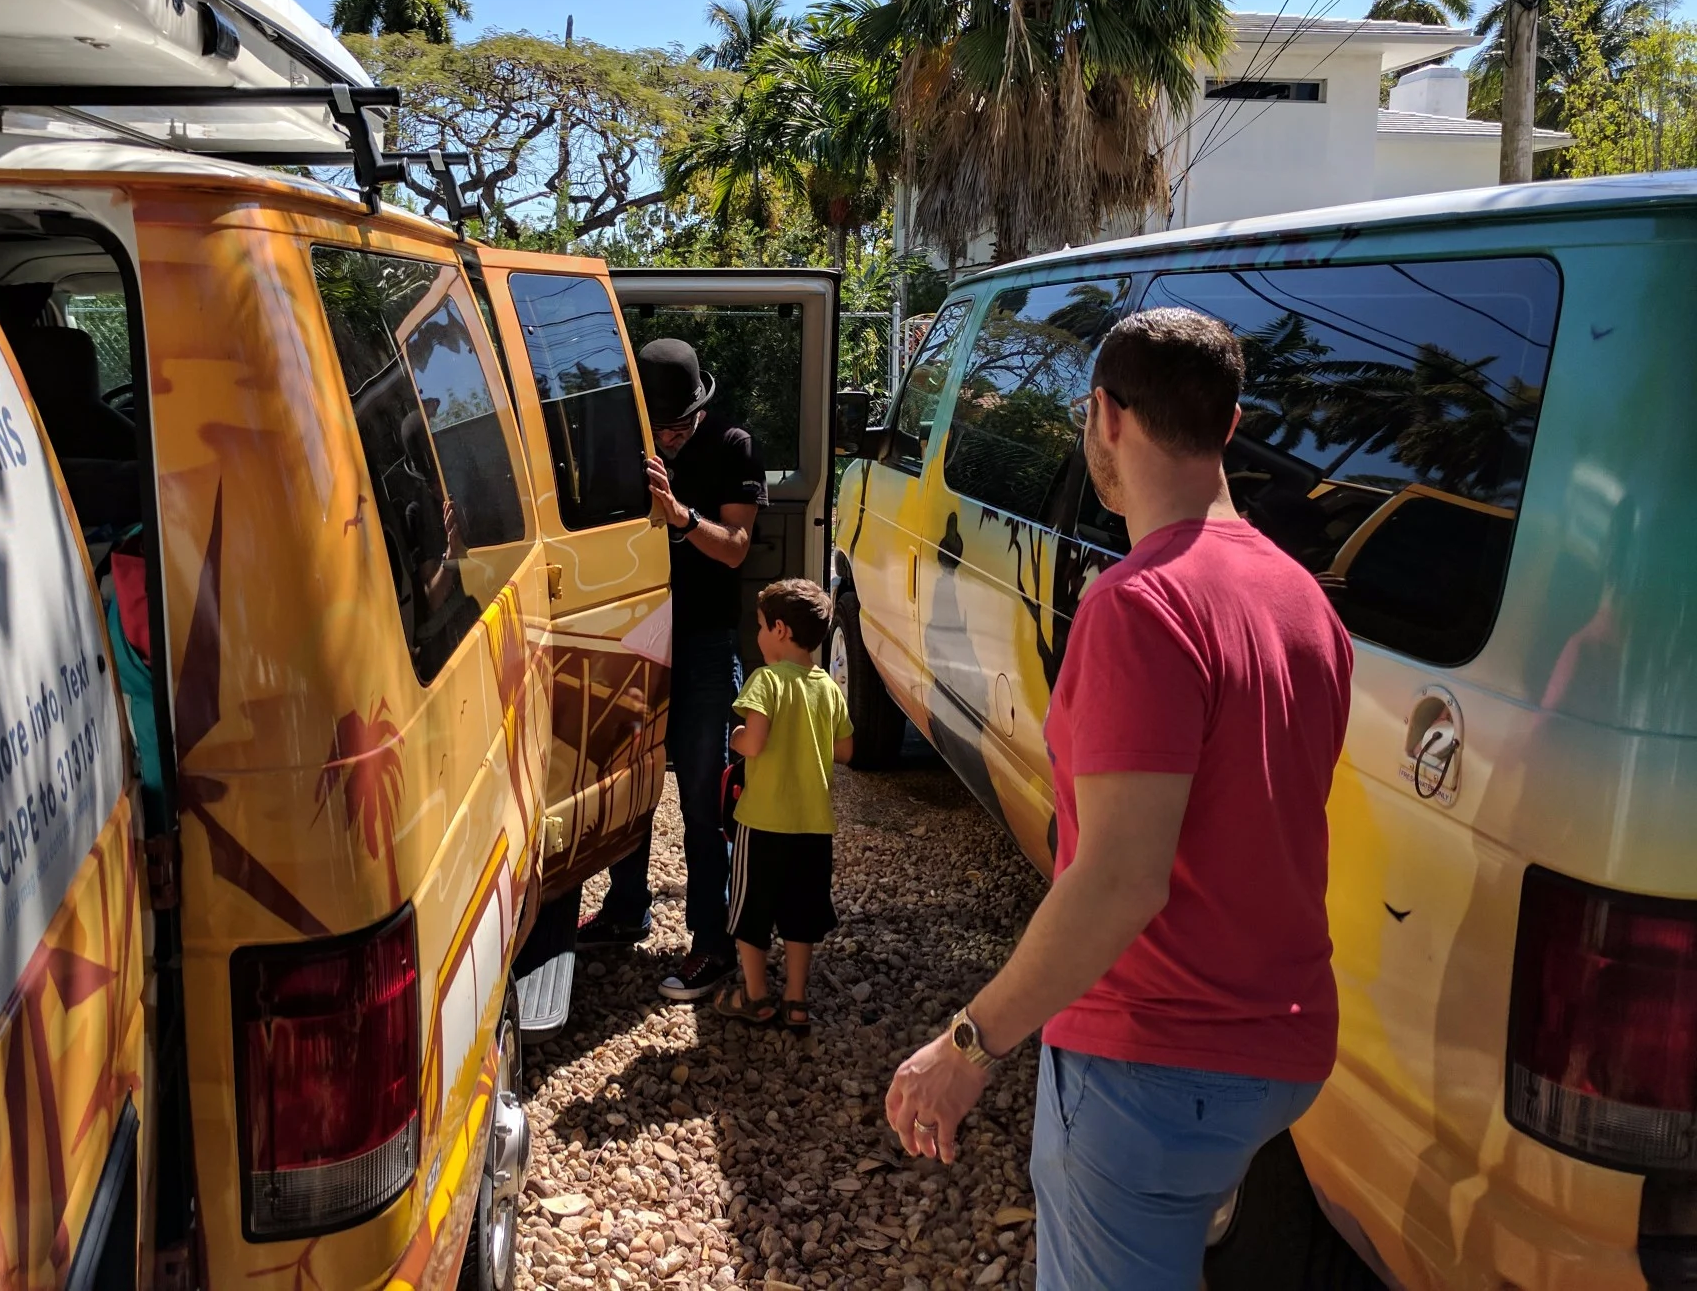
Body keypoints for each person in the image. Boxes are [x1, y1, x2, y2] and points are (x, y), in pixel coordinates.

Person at [883, 309, 1354, 1290]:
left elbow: (1119, 880)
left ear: (1102, 416)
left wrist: (966, 1045)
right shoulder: (1301, 598)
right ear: (1227, 427)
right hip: (1284, 1042)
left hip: (1156, 1062)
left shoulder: (1138, 605)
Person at [578, 337, 767, 1003]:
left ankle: (710, 942)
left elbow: (737, 548)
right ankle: (627, 908)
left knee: (701, 800)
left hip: (704, 643)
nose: (669, 437)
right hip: (635, 634)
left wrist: (681, 517)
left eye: (677, 425)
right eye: (658, 426)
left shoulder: (734, 445)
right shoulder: (630, 446)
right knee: (627, 775)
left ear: (698, 409)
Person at [711, 578, 853, 1035]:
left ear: (779, 629)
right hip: (813, 826)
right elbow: (846, 750)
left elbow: (753, 741)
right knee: (800, 912)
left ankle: (754, 997)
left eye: (759, 627)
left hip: (763, 823)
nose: (757, 636)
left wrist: (734, 739)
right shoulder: (827, 687)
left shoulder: (765, 680)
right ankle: (795, 999)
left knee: (751, 909)